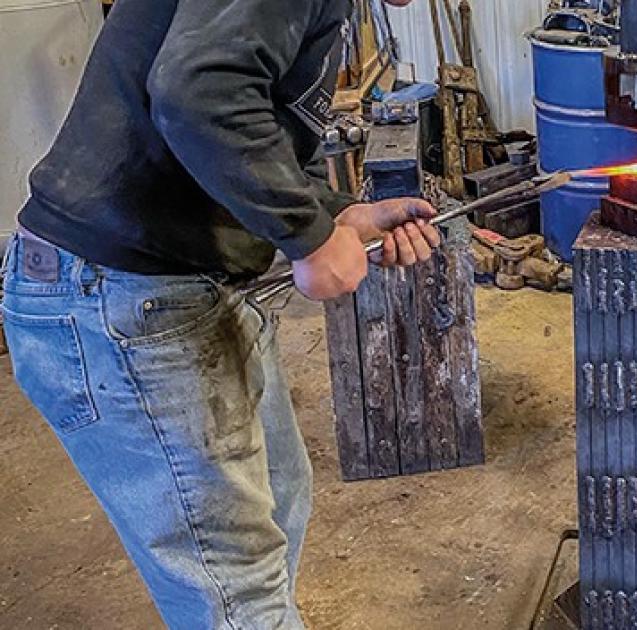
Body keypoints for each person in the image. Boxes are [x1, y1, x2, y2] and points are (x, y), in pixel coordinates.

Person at [0, 0, 430, 627]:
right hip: (120, 291)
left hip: (186, 283)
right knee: (237, 597)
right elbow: (198, 91)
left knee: (279, 500)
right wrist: (306, 236)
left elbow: (253, 116)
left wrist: (336, 214)